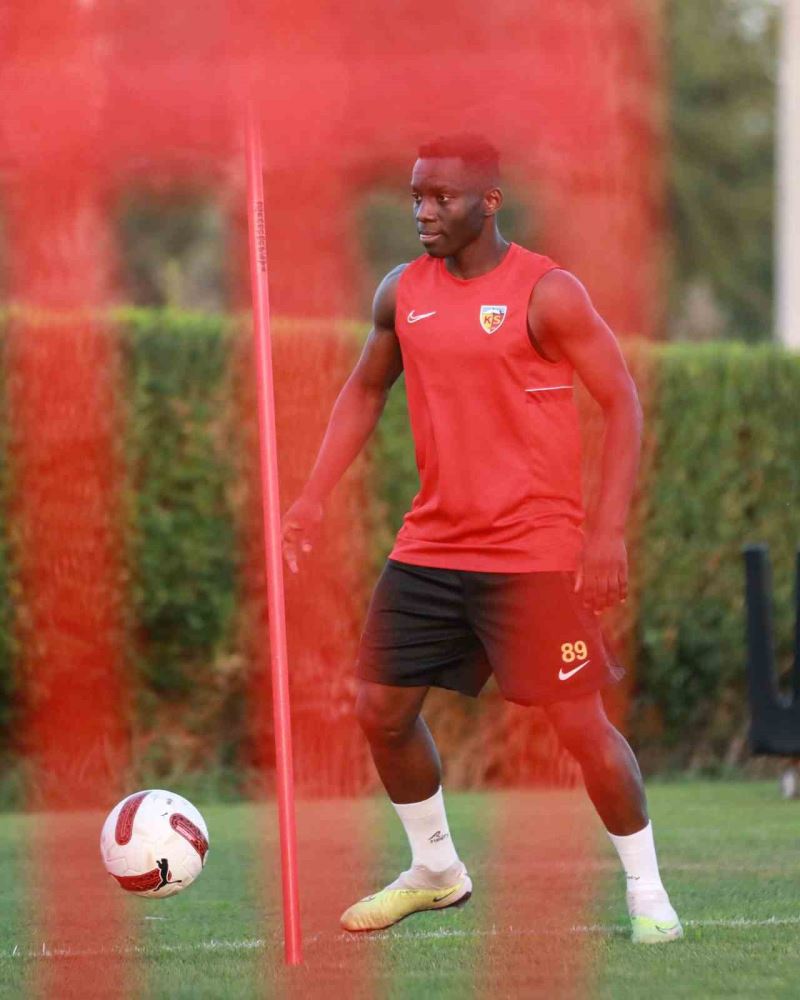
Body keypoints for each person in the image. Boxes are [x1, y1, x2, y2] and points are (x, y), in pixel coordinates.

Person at [281, 134, 682, 944]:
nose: (424, 212)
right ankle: (436, 872)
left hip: (533, 555)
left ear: (489, 202)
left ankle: (648, 893)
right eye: (416, 196)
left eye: (442, 198)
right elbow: (364, 392)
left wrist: (606, 534)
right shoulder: (401, 293)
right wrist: (312, 497)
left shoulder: (548, 292)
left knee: (580, 728)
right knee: (380, 710)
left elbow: (622, 402)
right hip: (430, 548)